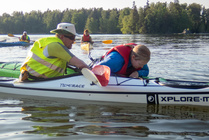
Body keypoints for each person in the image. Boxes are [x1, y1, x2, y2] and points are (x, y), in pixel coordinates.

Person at [19, 23, 89, 81]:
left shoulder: (52, 42)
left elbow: (74, 63)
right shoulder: (56, 46)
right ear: (62, 37)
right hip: (33, 81)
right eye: (71, 38)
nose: (73, 41)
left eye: (74, 38)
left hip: (36, 79)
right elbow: (80, 64)